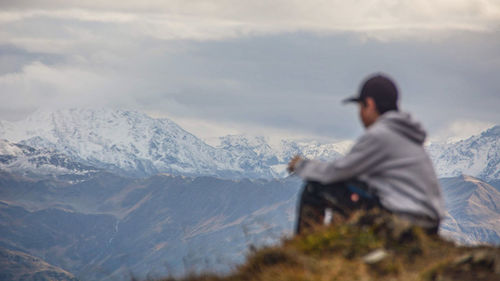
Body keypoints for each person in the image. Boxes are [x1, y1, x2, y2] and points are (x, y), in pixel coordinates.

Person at [288, 74, 445, 235]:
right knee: (351, 190)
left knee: (316, 187)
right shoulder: (407, 135)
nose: (360, 114)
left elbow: (337, 171)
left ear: (369, 104)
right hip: (429, 223)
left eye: (360, 107)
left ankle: (306, 246)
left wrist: (301, 166)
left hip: (404, 219)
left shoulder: (381, 134)